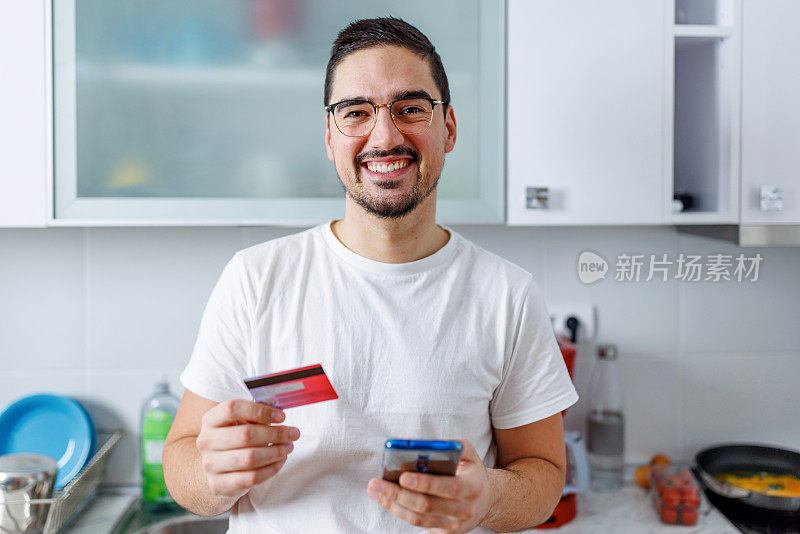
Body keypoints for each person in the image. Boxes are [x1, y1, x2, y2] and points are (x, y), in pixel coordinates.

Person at [163, 17, 578, 534]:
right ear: (331, 138)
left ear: (447, 128)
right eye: (356, 112)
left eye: (410, 109)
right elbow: (182, 463)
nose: (384, 136)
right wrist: (213, 475)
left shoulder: (507, 295)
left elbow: (542, 476)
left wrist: (489, 496)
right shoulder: (256, 278)